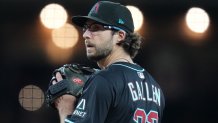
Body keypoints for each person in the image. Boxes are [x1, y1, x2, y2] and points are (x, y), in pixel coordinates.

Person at [52, 1, 165, 123]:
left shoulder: (104, 80)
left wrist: (65, 107)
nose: (85, 34)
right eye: (85, 28)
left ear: (120, 35)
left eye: (95, 28)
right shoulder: (155, 88)